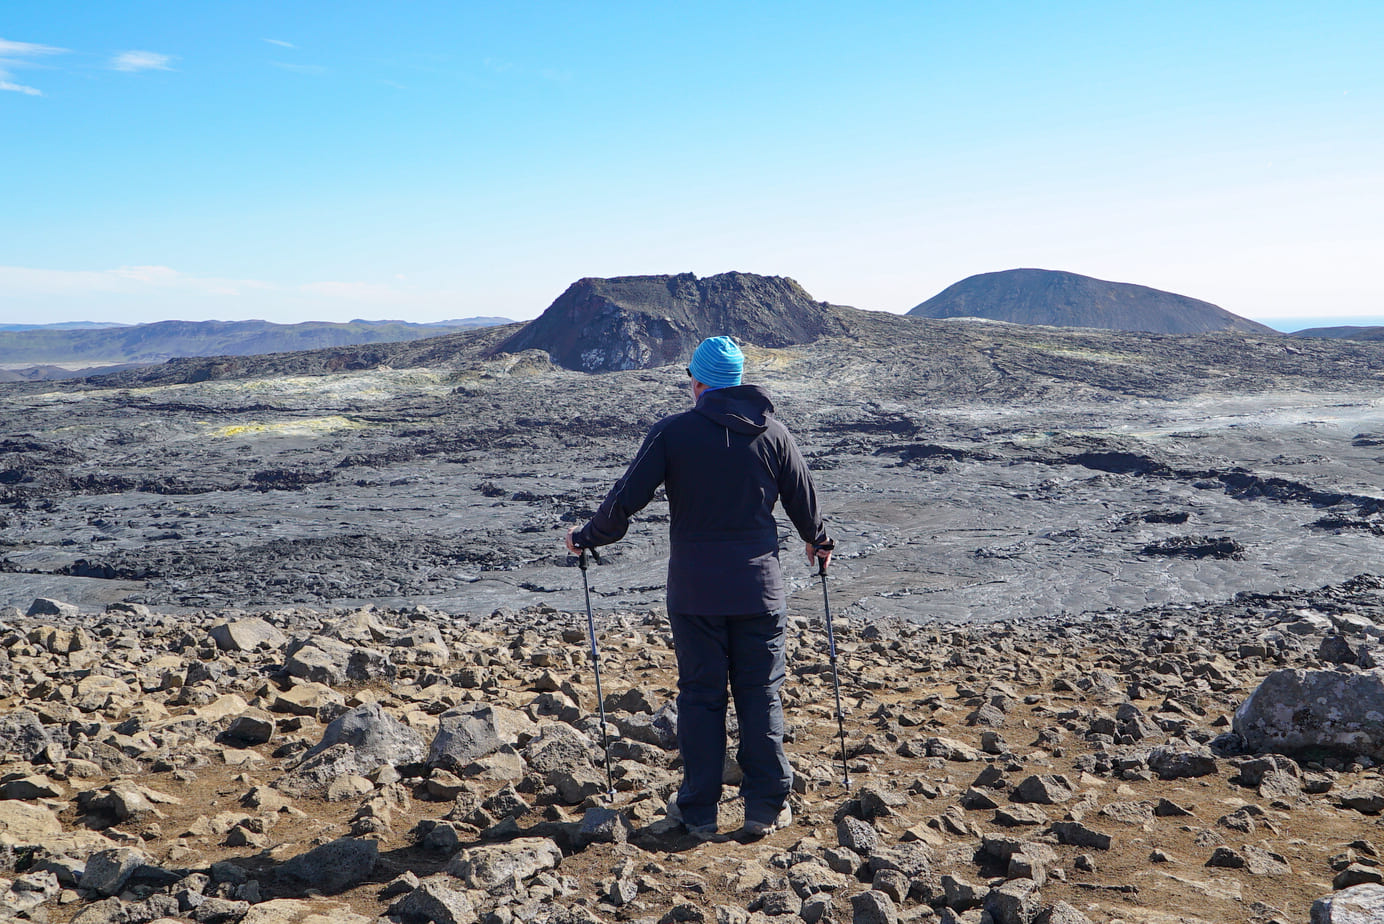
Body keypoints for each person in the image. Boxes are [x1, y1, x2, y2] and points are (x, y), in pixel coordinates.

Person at [565, 335, 833, 840]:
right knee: (760, 695)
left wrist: (586, 538)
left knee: (701, 698)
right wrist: (819, 542)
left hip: (695, 593)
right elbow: (804, 503)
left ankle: (699, 814)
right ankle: (765, 809)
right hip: (760, 591)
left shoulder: (673, 434)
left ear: (700, 382)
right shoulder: (775, 435)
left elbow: (625, 501)